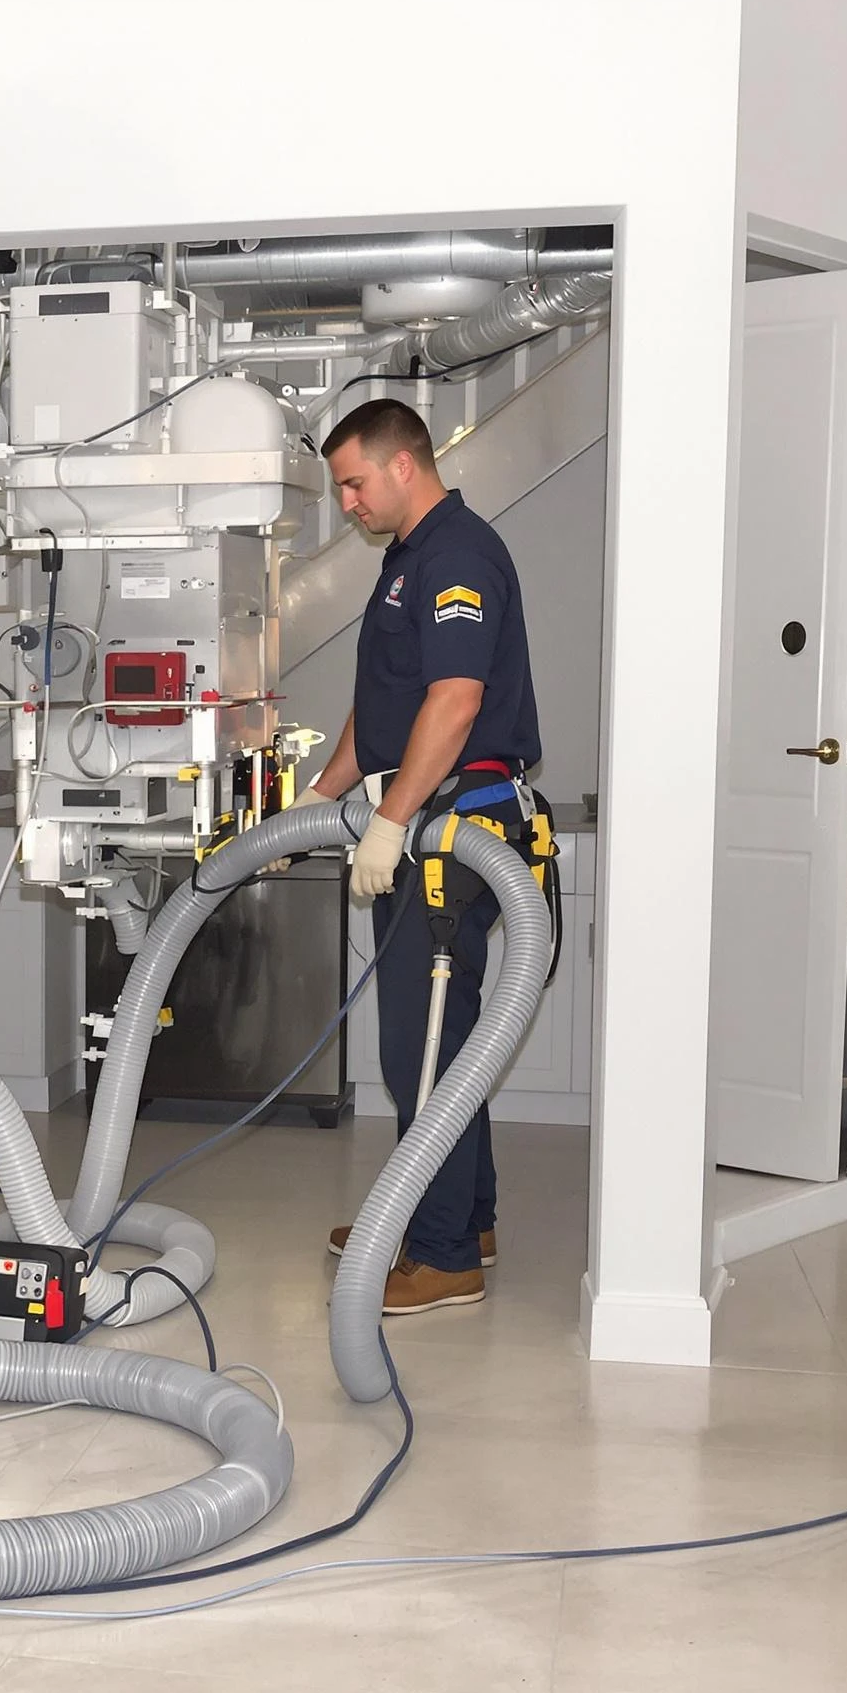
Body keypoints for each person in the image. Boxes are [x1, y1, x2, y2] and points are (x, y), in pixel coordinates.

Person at [304, 398, 540, 1314]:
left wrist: (392, 821)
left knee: (424, 1047)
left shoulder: (457, 557)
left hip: (449, 832)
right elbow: (386, 703)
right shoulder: (408, 559)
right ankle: (464, 1220)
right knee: (452, 1036)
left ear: (403, 464)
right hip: (420, 822)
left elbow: (455, 701)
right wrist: (320, 798)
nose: (349, 505)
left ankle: (443, 1259)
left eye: (355, 484)